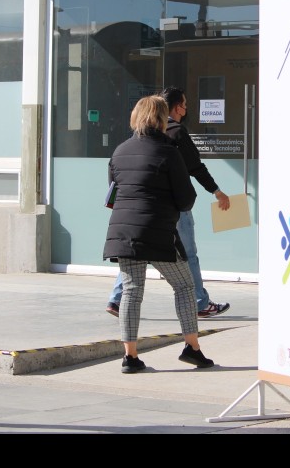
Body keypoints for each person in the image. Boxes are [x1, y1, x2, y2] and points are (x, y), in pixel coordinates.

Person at [103, 95, 214, 373]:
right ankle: (192, 348)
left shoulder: (119, 151)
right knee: (185, 286)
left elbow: (114, 192)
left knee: (131, 290)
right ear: (162, 118)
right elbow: (186, 198)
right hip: (159, 231)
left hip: (123, 232)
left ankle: (130, 356)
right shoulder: (168, 152)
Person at [106, 86, 231, 319]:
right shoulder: (174, 138)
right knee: (187, 256)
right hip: (167, 207)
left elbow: (114, 184)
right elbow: (194, 170)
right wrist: (215, 191)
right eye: (184, 104)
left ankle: (116, 299)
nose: (186, 109)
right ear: (173, 109)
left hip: (130, 215)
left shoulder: (126, 145)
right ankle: (199, 302)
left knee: (134, 254)